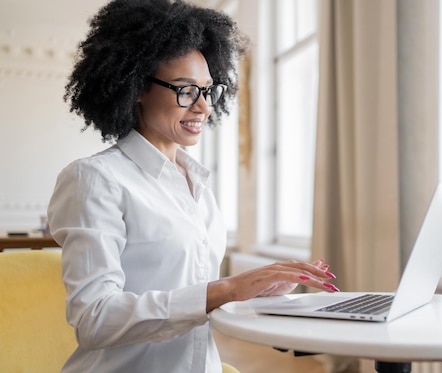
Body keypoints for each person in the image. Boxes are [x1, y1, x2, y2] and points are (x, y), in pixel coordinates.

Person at [47, 1, 339, 372]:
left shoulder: (197, 185)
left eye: (208, 91)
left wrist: (257, 292)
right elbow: (95, 319)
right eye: (185, 91)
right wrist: (227, 289)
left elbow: (194, 298)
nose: (203, 108)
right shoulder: (96, 179)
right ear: (136, 86)